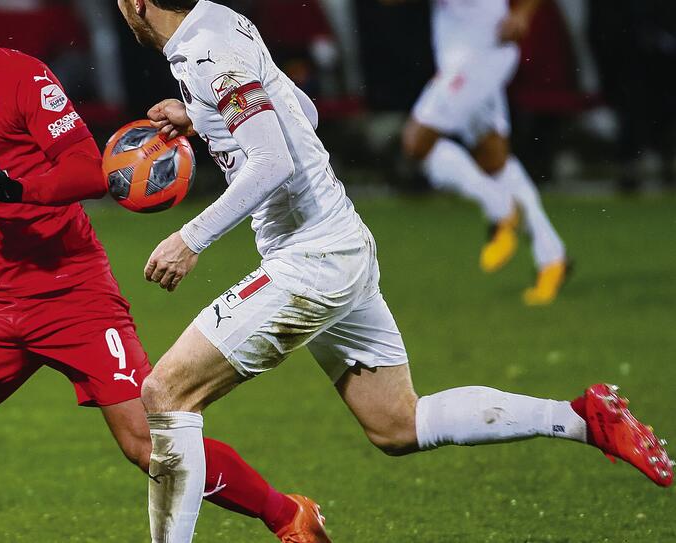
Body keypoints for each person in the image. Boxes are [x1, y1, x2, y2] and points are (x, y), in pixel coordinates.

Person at [109, 1, 673, 541]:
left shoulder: (208, 53)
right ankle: (583, 418)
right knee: (397, 425)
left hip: (310, 261)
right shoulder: (222, 24)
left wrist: (191, 237)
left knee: (165, 394)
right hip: (342, 244)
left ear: (136, 3)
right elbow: (301, 112)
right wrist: (206, 117)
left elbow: (275, 160)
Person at [0, 1, 325, 541]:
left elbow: (91, 169)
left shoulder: (24, 77)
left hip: (74, 295)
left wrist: (15, 187)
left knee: (151, 445)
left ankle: (289, 515)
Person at [393, 0, 569, 305]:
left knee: (417, 143)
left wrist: (522, 13)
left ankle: (500, 208)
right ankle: (552, 257)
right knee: (494, 158)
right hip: (466, 59)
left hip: (480, 59)